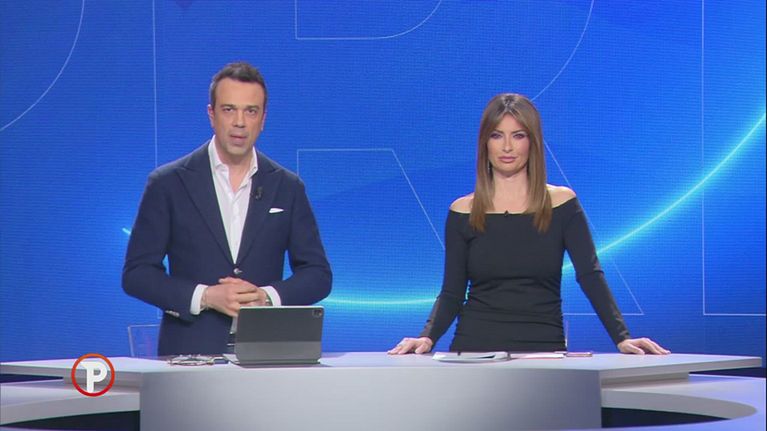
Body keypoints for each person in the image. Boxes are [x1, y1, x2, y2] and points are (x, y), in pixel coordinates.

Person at [389, 93, 668, 356]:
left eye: (518, 135)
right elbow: (452, 291)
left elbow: (590, 275)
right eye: (497, 135)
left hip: (543, 349)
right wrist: (427, 337)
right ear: (485, 143)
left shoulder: (562, 203)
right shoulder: (463, 211)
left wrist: (622, 337)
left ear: (532, 142)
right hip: (473, 350)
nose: (507, 147)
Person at [123, 62, 332, 355]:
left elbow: (318, 274)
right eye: (229, 109)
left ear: (263, 119)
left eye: (251, 111)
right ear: (211, 114)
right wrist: (206, 296)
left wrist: (266, 297)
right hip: (189, 356)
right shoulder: (168, 183)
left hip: (266, 355)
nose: (239, 122)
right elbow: (137, 274)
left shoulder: (287, 187)